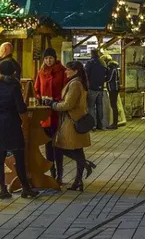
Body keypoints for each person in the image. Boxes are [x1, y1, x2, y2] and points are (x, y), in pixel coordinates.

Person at [0, 59, 40, 199]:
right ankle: (25, 188)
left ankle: (3, 189)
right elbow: (20, 107)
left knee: (0, 156)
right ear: (14, 72)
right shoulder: (14, 86)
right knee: (19, 154)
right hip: (12, 122)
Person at [51, 61, 95, 192]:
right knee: (77, 150)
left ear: (75, 71)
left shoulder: (75, 84)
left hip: (71, 122)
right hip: (76, 120)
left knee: (59, 147)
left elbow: (68, 105)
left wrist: (53, 105)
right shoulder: (77, 82)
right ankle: (78, 181)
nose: (66, 72)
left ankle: (85, 166)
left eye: (68, 70)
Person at [34, 48, 67, 184]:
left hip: (57, 111)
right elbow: (36, 89)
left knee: (58, 145)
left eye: (51, 58)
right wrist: (39, 98)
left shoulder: (62, 71)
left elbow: (66, 89)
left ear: (55, 58)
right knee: (48, 144)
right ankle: (52, 174)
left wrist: (56, 99)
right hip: (45, 113)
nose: (48, 60)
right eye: (46, 58)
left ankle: (59, 174)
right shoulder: (41, 72)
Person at [84, 49, 107, 130]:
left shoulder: (90, 62)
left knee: (91, 107)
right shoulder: (102, 62)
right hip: (101, 88)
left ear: (91, 54)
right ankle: (100, 125)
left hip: (92, 88)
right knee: (100, 106)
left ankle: (93, 125)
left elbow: (85, 73)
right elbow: (106, 74)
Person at [105, 56, 121, 129]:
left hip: (112, 88)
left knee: (113, 105)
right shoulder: (116, 67)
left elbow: (109, 79)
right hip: (116, 87)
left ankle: (114, 124)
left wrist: (103, 78)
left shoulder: (111, 68)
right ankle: (115, 122)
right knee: (114, 105)